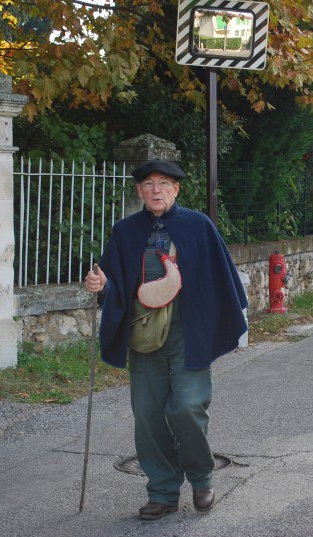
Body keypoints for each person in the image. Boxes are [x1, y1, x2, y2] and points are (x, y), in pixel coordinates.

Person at [84, 160, 248, 521]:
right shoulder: (125, 231)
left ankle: (202, 479)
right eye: (148, 183)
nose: (156, 189)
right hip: (143, 334)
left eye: (163, 183)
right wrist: (102, 285)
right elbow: (112, 280)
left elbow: (221, 277)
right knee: (148, 415)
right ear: (139, 191)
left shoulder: (198, 226)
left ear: (176, 190)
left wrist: (221, 320)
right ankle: (162, 491)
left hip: (188, 332)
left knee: (186, 407)